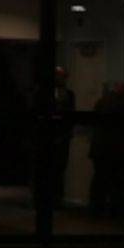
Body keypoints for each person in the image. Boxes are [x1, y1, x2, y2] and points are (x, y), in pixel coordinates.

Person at [88, 81, 124, 217]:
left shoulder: (102, 101)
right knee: (115, 182)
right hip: (112, 149)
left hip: (99, 149)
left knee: (100, 180)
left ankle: (96, 209)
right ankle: (115, 210)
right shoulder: (122, 103)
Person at [52, 66, 76, 208]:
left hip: (63, 137)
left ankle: (57, 199)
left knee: (60, 169)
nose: (61, 79)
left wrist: (68, 133)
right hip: (51, 137)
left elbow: (71, 114)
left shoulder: (69, 94)